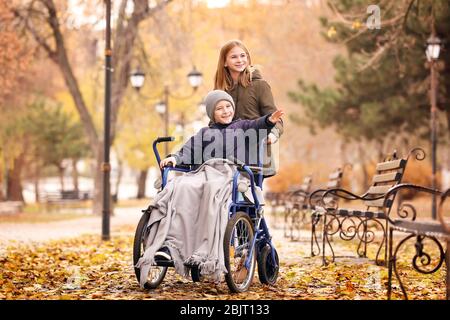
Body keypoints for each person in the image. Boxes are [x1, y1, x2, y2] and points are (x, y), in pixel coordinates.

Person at [137, 90, 283, 284]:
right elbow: (188, 151)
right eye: (219, 108)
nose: (225, 111)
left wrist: (269, 121)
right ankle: (168, 246)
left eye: (228, 106)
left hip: (232, 175)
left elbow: (258, 125)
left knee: (211, 188)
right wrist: (174, 158)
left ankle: (205, 252)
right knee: (179, 186)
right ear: (211, 113)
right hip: (205, 173)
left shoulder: (243, 127)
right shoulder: (204, 133)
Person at [214, 39, 284, 176]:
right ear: (225, 62)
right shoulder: (220, 90)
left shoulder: (260, 86)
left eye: (243, 55)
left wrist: (272, 135)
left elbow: (275, 119)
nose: (240, 60)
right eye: (234, 57)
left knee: (248, 196)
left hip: (255, 157)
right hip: (227, 158)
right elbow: (214, 122)